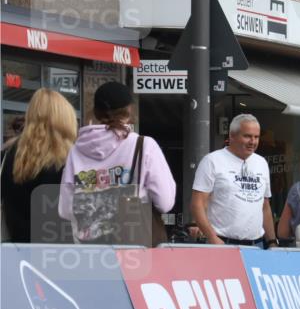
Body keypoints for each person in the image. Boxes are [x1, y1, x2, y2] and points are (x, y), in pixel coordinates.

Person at [59, 82, 175, 244]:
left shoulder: (76, 150)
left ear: (96, 112)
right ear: (129, 110)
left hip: (91, 249)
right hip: (135, 246)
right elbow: (165, 202)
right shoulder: (144, 146)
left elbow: (66, 209)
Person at [2, 90, 76, 243]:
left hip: (16, 252)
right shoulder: (70, 160)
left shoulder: (8, 155)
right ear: (65, 119)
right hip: (60, 255)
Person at [190, 114, 274, 248]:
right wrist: (212, 238)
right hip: (223, 243)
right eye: (247, 136)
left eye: (256, 137)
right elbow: (197, 203)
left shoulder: (261, 162)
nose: (252, 141)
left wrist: (272, 242)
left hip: (257, 245)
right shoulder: (212, 161)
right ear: (232, 136)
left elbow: (265, 206)